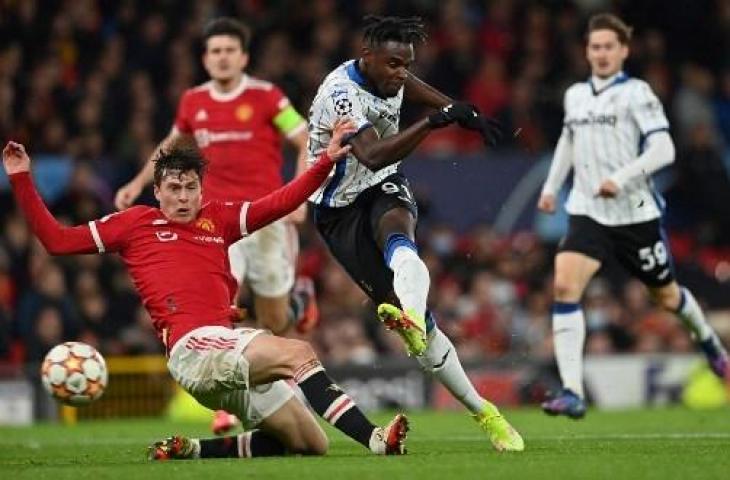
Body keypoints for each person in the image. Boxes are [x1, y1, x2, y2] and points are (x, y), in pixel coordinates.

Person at [3, 120, 409, 460]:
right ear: (157, 191)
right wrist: (21, 176)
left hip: (225, 347)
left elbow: (279, 203)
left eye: (190, 188)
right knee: (298, 352)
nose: (182, 197)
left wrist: (325, 162)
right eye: (173, 189)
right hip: (193, 348)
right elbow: (56, 241)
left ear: (202, 189)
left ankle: (192, 450)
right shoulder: (134, 223)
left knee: (310, 444)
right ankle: (376, 440)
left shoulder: (220, 218)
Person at [307, 15, 523, 452]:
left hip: (382, 183)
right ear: (365, 57)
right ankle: (420, 327)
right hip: (336, 212)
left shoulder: (390, 74)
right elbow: (370, 154)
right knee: (425, 336)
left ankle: (485, 413)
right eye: (393, 65)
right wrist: (435, 122)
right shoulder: (341, 97)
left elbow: (414, 90)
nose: (400, 74)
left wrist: (461, 112)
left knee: (397, 231)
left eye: (406, 65)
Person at [114, 16, 318, 435]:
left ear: (243, 57)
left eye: (230, 50)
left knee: (275, 316)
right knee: (222, 300)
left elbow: (304, 140)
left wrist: (303, 196)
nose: (222, 58)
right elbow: (171, 147)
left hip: (263, 216)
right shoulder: (193, 102)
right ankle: (228, 401)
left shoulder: (268, 99)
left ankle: (298, 301)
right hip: (217, 221)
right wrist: (137, 183)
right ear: (205, 59)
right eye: (215, 51)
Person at [537, 13, 729, 419]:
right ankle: (572, 390)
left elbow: (664, 151)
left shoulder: (637, 93)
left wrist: (621, 178)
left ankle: (710, 342)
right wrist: (552, 188)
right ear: (587, 52)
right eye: (595, 47)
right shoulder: (575, 96)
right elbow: (568, 143)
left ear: (623, 51)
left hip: (634, 213)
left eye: (609, 46)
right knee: (565, 287)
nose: (602, 53)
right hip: (588, 211)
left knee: (666, 296)